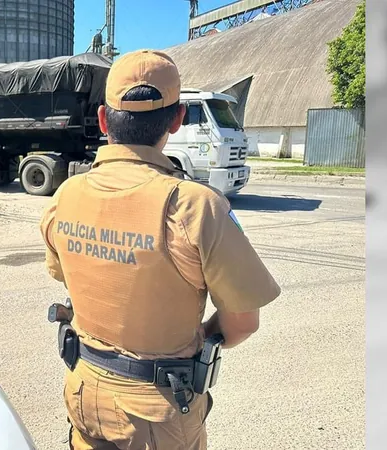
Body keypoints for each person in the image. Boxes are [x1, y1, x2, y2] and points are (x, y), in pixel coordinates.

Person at [39, 50, 281, 450]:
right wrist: (188, 344)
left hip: (83, 389)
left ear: (103, 119)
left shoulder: (66, 195)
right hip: (157, 409)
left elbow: (70, 277)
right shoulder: (195, 205)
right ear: (178, 118)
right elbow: (242, 323)